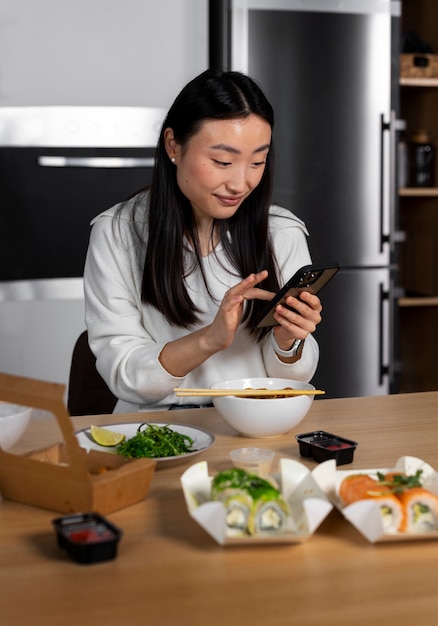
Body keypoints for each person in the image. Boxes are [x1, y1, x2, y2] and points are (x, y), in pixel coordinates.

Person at [83, 68, 322, 413]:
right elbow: (125, 376)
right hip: (159, 429)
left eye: (257, 161)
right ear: (173, 146)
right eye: (222, 161)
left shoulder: (281, 231)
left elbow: (294, 376)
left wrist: (288, 342)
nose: (241, 183)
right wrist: (208, 340)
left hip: (256, 424)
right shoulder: (117, 232)